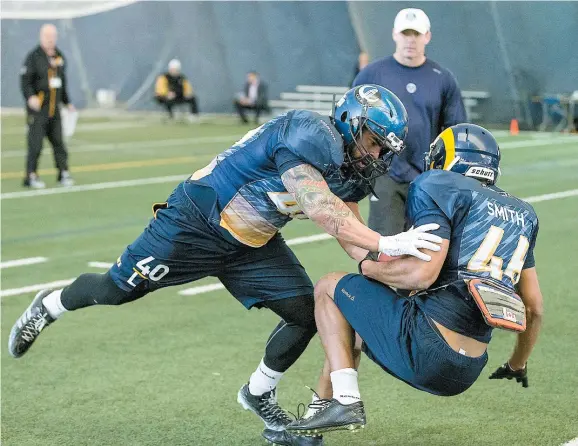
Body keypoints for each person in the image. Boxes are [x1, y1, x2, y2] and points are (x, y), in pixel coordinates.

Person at [9, 86, 441, 445]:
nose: (376, 153)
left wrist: (391, 263)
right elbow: (319, 206)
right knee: (115, 290)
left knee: (306, 315)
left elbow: (348, 233)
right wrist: (388, 238)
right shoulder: (311, 132)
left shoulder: (353, 169)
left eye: (384, 147)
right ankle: (49, 306)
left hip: (251, 241)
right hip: (196, 221)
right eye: (373, 140)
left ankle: (258, 392)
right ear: (351, 121)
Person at [286, 124, 543, 435]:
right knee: (347, 319)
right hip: (469, 367)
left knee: (329, 287)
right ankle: (312, 425)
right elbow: (534, 309)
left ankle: (347, 402)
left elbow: (421, 275)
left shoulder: (440, 184)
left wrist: (372, 268)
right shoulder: (523, 214)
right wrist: (517, 364)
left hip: (428, 347)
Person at [353, 8, 466, 237]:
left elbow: (456, 131)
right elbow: (352, 122)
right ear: (395, 34)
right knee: (384, 246)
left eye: (416, 34)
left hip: (427, 177)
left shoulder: (442, 78)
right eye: (406, 33)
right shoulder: (373, 74)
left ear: (427, 37)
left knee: (426, 247)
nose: (410, 40)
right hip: (384, 172)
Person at [20, 23, 75, 189]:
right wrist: (30, 97)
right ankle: (31, 175)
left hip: (55, 110)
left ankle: (63, 172)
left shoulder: (59, 56)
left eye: (53, 36)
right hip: (39, 110)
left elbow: (62, 83)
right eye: (47, 36)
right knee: (35, 144)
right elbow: (25, 81)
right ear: (41, 37)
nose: (50, 40)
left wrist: (67, 102)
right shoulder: (34, 57)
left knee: (59, 143)